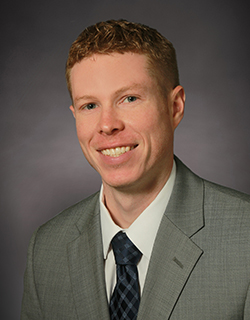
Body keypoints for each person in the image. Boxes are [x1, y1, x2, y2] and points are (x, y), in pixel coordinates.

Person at [21, 20, 250, 319]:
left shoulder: (244, 239)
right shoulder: (46, 248)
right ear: (74, 115)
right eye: (90, 105)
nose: (107, 125)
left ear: (175, 107)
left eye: (129, 98)